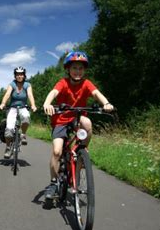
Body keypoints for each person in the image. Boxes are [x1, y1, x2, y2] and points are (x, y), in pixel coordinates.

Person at [42, 51, 114, 199]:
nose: (78, 71)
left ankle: (82, 151)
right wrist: (47, 103)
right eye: (74, 68)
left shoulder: (87, 83)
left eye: (81, 68)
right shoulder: (63, 82)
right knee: (57, 151)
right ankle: (53, 183)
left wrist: (106, 103)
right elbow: (53, 93)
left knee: (87, 122)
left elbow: (96, 94)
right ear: (68, 69)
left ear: (84, 70)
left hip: (78, 118)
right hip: (60, 120)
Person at [0, 66, 37, 158]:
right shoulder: (12, 84)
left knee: (26, 117)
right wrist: (3, 103)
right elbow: (7, 94)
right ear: (15, 76)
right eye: (17, 74)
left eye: (21, 74)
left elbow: (30, 95)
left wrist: (33, 105)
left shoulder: (27, 85)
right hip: (12, 108)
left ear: (24, 75)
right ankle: (8, 147)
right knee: (8, 131)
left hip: (23, 107)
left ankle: (23, 134)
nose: (19, 76)